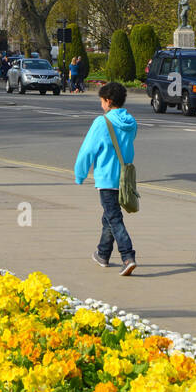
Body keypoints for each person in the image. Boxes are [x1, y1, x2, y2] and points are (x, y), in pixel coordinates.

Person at [74, 80, 138, 275]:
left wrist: (80, 174)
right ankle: (102, 254)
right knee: (108, 217)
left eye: (102, 101)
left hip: (107, 178)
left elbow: (87, 151)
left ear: (108, 101)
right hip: (125, 178)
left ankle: (128, 256)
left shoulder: (102, 122)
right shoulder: (131, 122)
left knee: (114, 218)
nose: (101, 105)